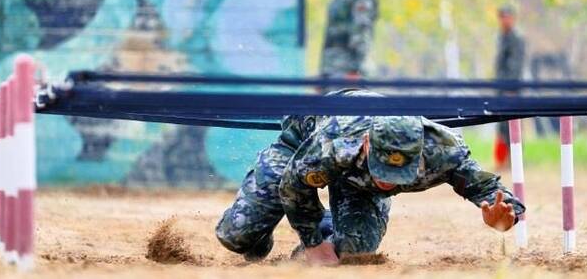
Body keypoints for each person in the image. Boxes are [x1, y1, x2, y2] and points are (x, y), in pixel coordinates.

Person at [215, 89, 526, 266]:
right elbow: (293, 184)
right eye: (382, 170)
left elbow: (490, 190)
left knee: (354, 255)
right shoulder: (336, 144)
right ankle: (264, 234)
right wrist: (313, 244)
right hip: (301, 141)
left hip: (357, 188)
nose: (388, 182)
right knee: (237, 235)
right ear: (366, 146)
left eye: (398, 173)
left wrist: (504, 217)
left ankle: (325, 228)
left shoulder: (443, 150)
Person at [493, 5, 526, 169]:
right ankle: (503, 160)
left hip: (511, 88)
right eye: (501, 17)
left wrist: (511, 88)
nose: (504, 20)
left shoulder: (516, 38)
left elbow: (515, 66)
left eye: (506, 16)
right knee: (501, 123)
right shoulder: (502, 37)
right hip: (501, 87)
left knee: (512, 124)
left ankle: (515, 160)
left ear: (512, 18)